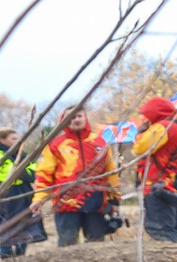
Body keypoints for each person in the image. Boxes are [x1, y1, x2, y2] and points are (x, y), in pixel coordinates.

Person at [34, 105, 117, 245]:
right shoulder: (56, 145)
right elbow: (44, 174)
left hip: (96, 203)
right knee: (67, 244)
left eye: (79, 116)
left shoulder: (99, 142)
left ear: (85, 118)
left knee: (97, 245)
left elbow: (111, 172)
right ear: (64, 121)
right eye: (71, 117)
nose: (76, 120)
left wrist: (114, 199)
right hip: (65, 204)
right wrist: (39, 199)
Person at [128, 96, 177, 242]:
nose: (144, 119)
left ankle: (171, 260)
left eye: (146, 115)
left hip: (162, 185)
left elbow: (139, 148)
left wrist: (142, 132)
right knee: (175, 225)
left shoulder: (164, 126)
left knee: (160, 229)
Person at [0, 128, 39, 257]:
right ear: (2, 140)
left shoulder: (23, 155)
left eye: (17, 138)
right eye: (13, 139)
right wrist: (23, 171)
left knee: (25, 219)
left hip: (24, 190)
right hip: (5, 193)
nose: (17, 141)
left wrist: (24, 172)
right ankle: (6, 250)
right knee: (6, 220)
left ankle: (21, 250)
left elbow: (32, 173)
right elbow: (13, 173)